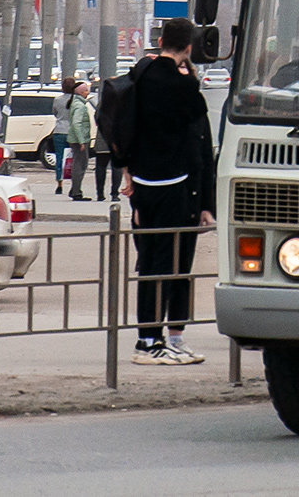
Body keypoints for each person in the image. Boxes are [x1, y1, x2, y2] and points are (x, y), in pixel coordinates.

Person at [122, 18, 212, 366]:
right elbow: (197, 128)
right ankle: (149, 342)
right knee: (173, 265)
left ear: (159, 41)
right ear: (189, 47)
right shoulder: (183, 86)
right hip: (177, 186)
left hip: (144, 186)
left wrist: (128, 171)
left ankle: (160, 338)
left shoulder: (140, 75)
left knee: (152, 263)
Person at [66, 81, 92, 201]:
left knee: (79, 164)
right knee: (80, 165)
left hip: (76, 138)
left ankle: (74, 189)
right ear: (81, 92)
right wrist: (81, 141)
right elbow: (77, 123)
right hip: (80, 140)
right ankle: (77, 192)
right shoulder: (80, 106)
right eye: (86, 90)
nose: (88, 92)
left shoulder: (76, 103)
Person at [93, 104, 123, 202]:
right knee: (117, 168)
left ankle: (100, 194)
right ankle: (115, 193)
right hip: (117, 138)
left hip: (102, 138)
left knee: (101, 167)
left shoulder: (102, 103)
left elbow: (96, 117)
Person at [51, 77, 75, 195]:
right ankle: (73, 184)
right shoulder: (76, 100)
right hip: (72, 131)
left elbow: (55, 113)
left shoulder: (57, 99)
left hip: (59, 131)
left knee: (60, 158)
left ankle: (59, 184)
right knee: (72, 159)